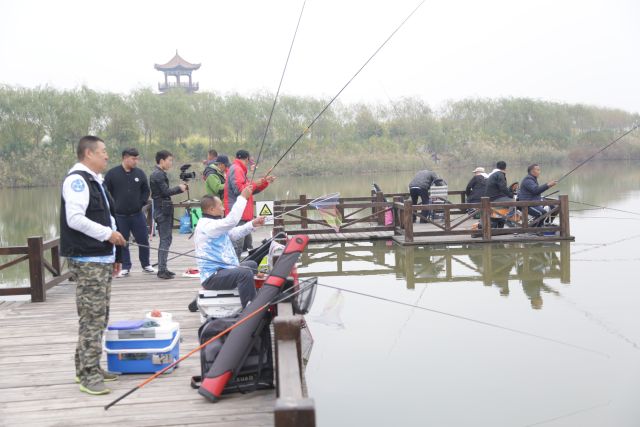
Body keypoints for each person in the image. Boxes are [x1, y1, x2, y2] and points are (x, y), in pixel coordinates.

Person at [60, 135, 126, 395]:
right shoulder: (77, 181)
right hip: (88, 260)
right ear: (88, 153)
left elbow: (109, 217)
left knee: (100, 317)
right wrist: (108, 235)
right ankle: (88, 375)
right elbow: (75, 219)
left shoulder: (95, 180)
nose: (107, 156)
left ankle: (89, 366)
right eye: (103, 151)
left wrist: (115, 255)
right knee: (92, 319)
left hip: (101, 258)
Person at [195, 186, 266, 307]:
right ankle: (250, 309)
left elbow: (233, 234)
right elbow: (232, 221)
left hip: (224, 269)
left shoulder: (214, 224)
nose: (223, 208)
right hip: (212, 277)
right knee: (245, 273)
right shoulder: (208, 226)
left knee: (252, 265)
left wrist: (252, 224)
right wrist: (242, 197)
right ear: (211, 209)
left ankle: (252, 296)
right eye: (220, 206)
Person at [104, 148, 154, 277]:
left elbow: (146, 190)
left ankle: (146, 265)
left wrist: (141, 202)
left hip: (137, 214)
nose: (136, 161)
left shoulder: (139, 173)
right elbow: (104, 191)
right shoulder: (112, 174)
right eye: (133, 159)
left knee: (143, 239)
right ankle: (125, 267)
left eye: (137, 158)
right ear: (125, 158)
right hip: (120, 216)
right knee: (122, 242)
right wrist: (112, 205)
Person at [225, 149, 275, 258]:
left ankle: (244, 266)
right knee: (237, 248)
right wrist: (255, 183)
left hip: (244, 215)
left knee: (247, 247)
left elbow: (250, 190)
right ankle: (234, 267)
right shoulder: (237, 169)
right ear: (247, 159)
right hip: (238, 215)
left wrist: (264, 182)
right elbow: (240, 190)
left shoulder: (240, 170)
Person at [150, 150, 187, 279]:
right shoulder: (158, 174)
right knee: (165, 240)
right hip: (162, 211)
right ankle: (161, 270)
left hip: (163, 209)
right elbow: (165, 192)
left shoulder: (159, 173)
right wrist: (179, 188)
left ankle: (163, 268)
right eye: (169, 160)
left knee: (167, 239)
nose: (171, 163)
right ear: (162, 161)